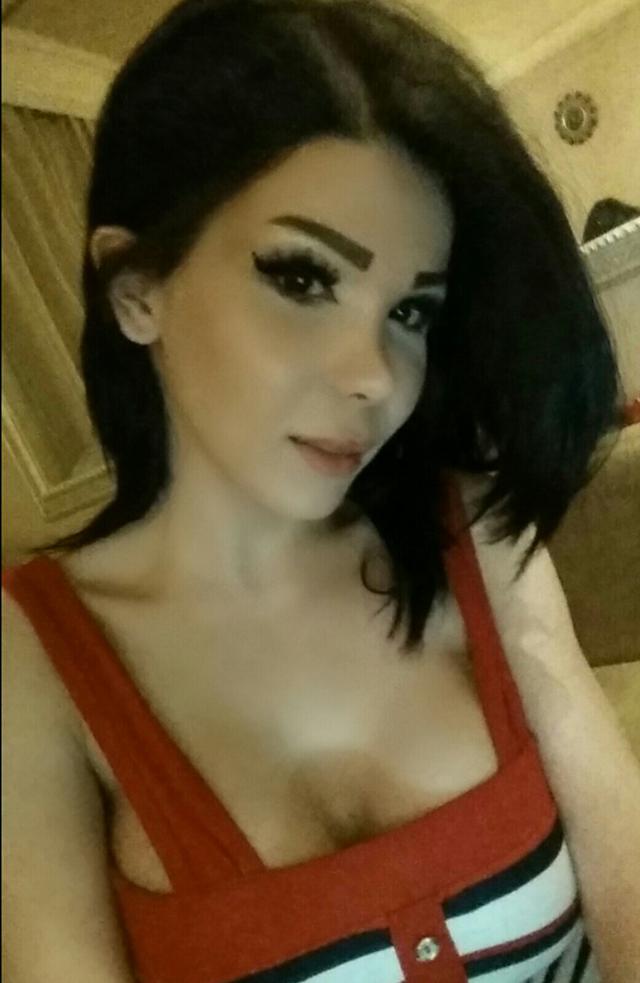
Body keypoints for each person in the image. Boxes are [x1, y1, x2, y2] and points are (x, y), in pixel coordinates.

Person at [4, 1, 639, 981]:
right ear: (137, 290)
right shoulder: (35, 653)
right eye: (303, 279)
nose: (374, 375)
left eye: (411, 311)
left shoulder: (467, 528)